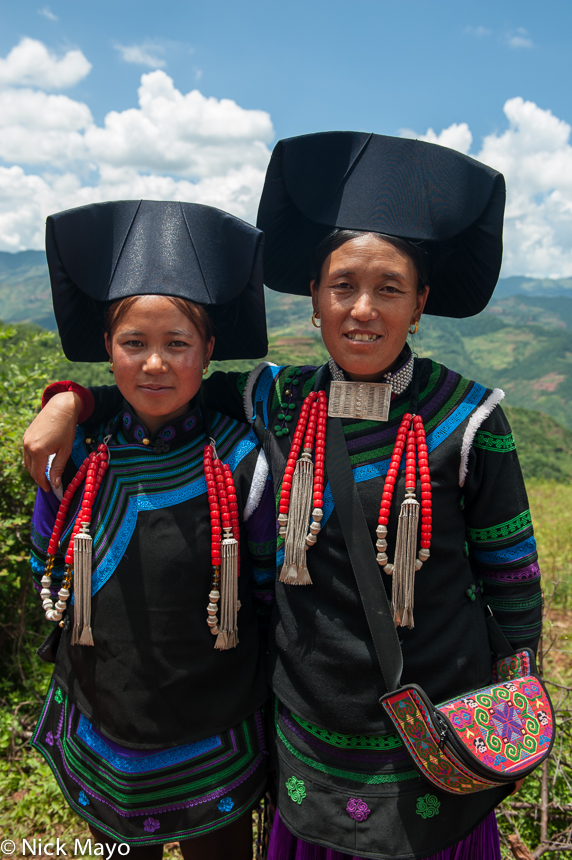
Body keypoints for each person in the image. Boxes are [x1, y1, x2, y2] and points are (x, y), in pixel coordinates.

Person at [24, 135, 543, 860]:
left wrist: (518, 700)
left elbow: (513, 582)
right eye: (342, 287)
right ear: (313, 301)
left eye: (389, 288)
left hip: (435, 727)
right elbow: (159, 392)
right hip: (309, 728)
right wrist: (69, 401)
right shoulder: (277, 398)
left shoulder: (470, 417)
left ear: (421, 302)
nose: (363, 310)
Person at [28, 200, 276, 860]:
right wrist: (68, 402)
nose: (155, 365)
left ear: (209, 350)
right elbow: (46, 561)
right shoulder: (80, 456)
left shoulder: (241, 461)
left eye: (177, 345)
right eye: (133, 344)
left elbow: (268, 594)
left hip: (215, 730)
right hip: (104, 716)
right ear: (107, 349)